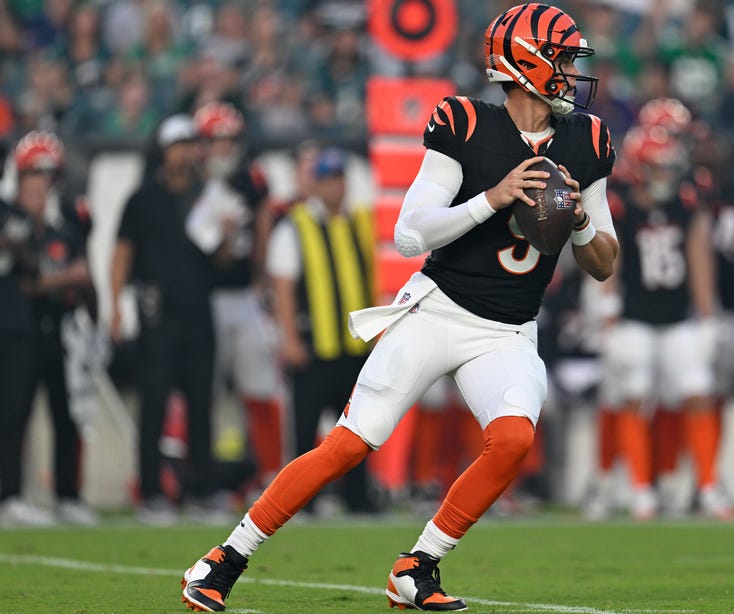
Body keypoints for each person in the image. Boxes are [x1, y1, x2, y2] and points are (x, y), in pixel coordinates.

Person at [181, 4, 617, 612]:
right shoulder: (464, 123)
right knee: (351, 442)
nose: (572, 72)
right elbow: (411, 233)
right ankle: (224, 558)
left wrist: (577, 223)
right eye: (563, 58)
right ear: (526, 63)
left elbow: (604, 261)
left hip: (508, 329)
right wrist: (492, 198)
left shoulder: (587, 141)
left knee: (514, 439)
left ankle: (418, 566)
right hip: (438, 309)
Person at [596, 123, 728, 520]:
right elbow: (608, 259)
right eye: (656, 168)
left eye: (668, 168)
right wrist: (607, 312)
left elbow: (699, 255)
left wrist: (707, 314)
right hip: (635, 315)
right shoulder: (618, 204)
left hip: (677, 316)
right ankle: (640, 490)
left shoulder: (686, 203)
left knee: (698, 393)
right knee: (635, 396)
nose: (664, 176)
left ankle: (707, 486)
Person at [111, 115, 217, 525]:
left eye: (188, 144)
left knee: (201, 404)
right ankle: (152, 491)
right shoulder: (142, 198)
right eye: (176, 145)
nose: (183, 152)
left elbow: (222, 258)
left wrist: (224, 234)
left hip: (198, 311)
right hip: (156, 313)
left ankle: (202, 489)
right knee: (153, 403)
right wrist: (117, 305)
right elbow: (123, 252)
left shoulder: (206, 195)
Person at [266, 147, 381, 515]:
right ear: (315, 184)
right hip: (315, 343)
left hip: (355, 344)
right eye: (329, 180)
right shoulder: (296, 224)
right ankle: (302, 500)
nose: (336, 187)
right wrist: (290, 338)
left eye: (340, 179)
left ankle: (357, 497)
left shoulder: (361, 221)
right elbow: (283, 285)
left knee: (358, 428)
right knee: (304, 428)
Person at [0, 131, 98, 527]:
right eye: (33, 175)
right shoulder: (9, 217)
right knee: (14, 414)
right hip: (14, 328)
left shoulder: (63, 226)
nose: (40, 183)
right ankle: (9, 494)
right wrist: (63, 278)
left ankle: (67, 494)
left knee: (66, 412)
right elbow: (30, 279)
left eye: (46, 174)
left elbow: (83, 276)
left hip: (56, 329)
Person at [188, 101, 284, 490]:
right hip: (202, 299)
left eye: (229, 140)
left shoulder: (250, 179)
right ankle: (190, 476)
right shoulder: (190, 181)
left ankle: (272, 474)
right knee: (200, 390)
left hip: (243, 295)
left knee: (260, 385)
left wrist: (261, 280)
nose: (224, 148)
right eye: (216, 140)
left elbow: (262, 229)